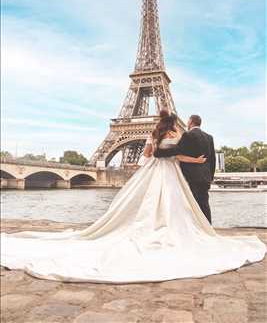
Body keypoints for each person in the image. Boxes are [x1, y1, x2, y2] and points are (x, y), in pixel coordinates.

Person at [0, 111, 266, 283]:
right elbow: (178, 156)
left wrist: (162, 153)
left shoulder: (156, 133)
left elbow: (149, 154)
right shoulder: (178, 134)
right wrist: (193, 159)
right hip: (172, 172)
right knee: (176, 205)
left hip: (155, 171)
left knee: (146, 203)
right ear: (174, 122)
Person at [154, 114, 215, 224]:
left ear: (191, 122)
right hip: (205, 177)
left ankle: (196, 226)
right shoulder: (209, 137)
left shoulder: (187, 135)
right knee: (204, 203)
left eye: (188, 121)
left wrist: (159, 153)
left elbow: (177, 151)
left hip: (191, 176)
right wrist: (210, 177)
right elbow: (212, 160)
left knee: (192, 204)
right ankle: (208, 227)